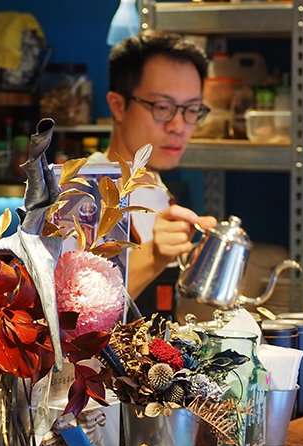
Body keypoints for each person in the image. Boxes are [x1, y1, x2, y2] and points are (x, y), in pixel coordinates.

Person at [88, 30, 218, 309]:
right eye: (162, 107)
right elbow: (72, 320)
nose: (178, 125)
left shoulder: (158, 189)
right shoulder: (84, 192)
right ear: (118, 106)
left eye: (191, 109)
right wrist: (154, 256)